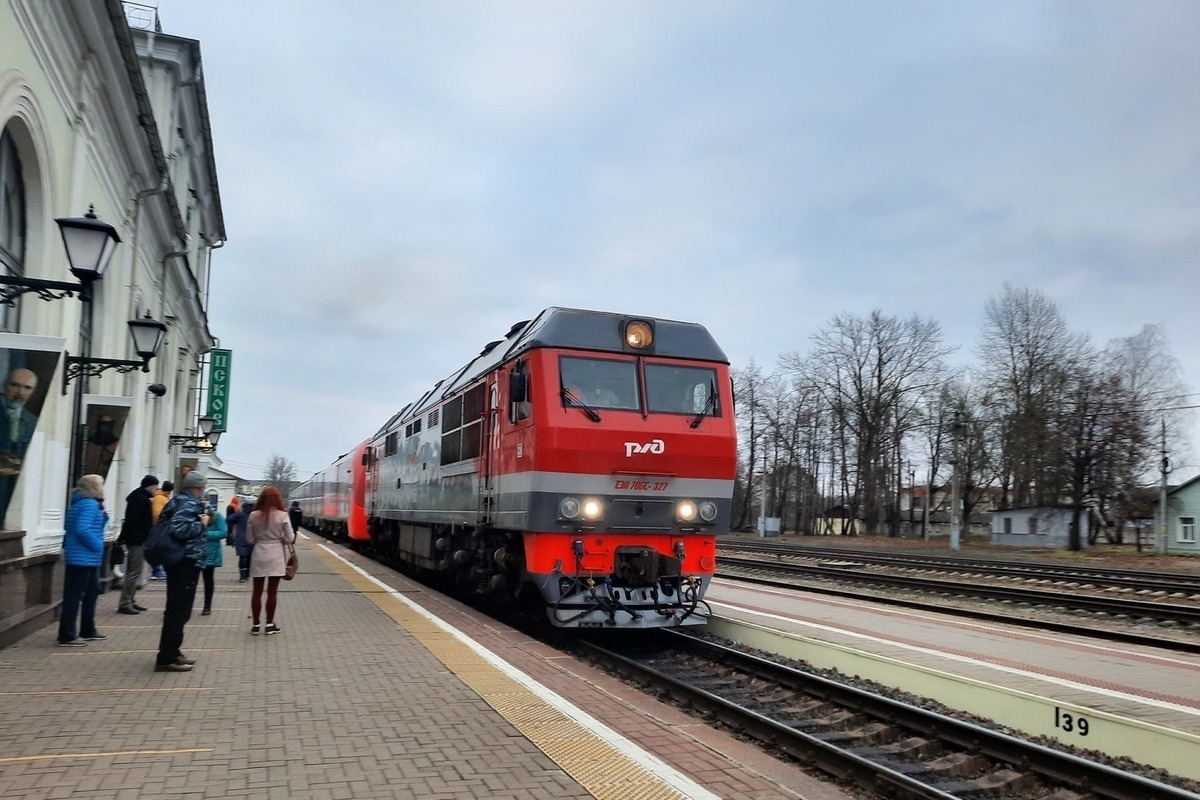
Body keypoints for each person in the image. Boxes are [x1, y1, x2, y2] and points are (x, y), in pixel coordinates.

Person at [154, 470, 209, 672]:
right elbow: (178, 530)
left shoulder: (176, 500)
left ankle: (174, 652)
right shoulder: (189, 503)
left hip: (178, 561)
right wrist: (200, 524)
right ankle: (167, 657)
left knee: (177, 609)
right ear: (200, 486)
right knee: (179, 610)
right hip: (185, 560)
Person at [57, 474, 109, 646]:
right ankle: (67, 635)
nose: (103, 488)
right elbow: (82, 529)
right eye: (101, 485)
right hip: (83, 557)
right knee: (75, 596)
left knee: (90, 594)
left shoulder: (81, 503)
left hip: (83, 557)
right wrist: (97, 546)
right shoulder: (89, 505)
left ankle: (87, 630)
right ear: (94, 487)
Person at [246, 486, 294, 635]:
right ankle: (269, 624)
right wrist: (279, 538)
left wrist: (260, 539)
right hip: (276, 554)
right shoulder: (282, 515)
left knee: (257, 591)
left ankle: (255, 625)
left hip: (259, 553)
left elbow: (249, 538)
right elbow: (290, 538)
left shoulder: (253, 515)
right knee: (272, 592)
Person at [0, 367, 39, 524]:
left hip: (16, 489)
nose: (20, 392)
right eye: (15, 385)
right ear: (5, 385)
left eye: (27, 388)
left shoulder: (33, 422)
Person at [116, 474, 158, 615]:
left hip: (135, 539)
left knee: (134, 572)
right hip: (137, 540)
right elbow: (133, 521)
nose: (156, 489)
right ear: (150, 485)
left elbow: (130, 521)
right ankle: (125, 603)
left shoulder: (139, 497)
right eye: (155, 486)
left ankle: (130, 600)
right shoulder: (141, 499)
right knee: (133, 573)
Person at [200, 494, 227, 616]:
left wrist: (206, 533)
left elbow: (223, 532)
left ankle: (207, 606)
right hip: (195, 552)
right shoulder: (194, 514)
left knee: (208, 580)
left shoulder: (217, 516)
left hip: (211, 553)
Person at [148, 480, 174, 580]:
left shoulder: (160, 497)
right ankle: (156, 571)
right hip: (159, 528)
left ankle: (158, 570)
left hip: (160, 527)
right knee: (157, 549)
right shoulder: (160, 498)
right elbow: (157, 514)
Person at [229, 498, 254, 582]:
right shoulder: (255, 515)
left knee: (242, 558)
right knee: (250, 558)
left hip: (240, 539)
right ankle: (247, 575)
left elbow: (229, 519)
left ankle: (242, 577)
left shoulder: (240, 514)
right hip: (252, 539)